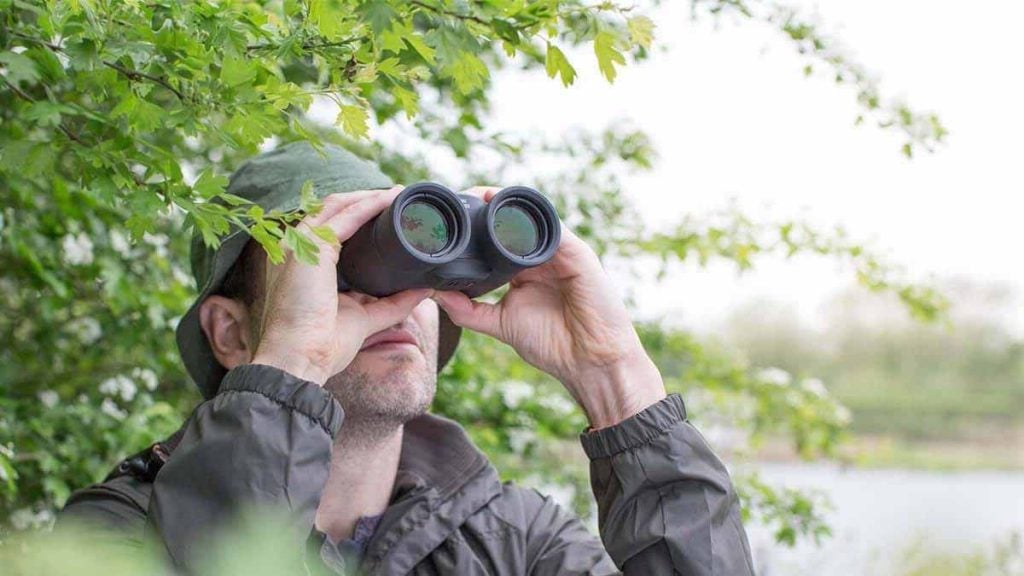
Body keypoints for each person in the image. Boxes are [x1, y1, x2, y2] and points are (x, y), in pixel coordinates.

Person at [58, 141, 754, 575]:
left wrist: (617, 382)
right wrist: (290, 369)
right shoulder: (118, 533)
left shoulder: (514, 544)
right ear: (234, 335)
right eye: (330, 267)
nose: (387, 298)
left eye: (408, 262)